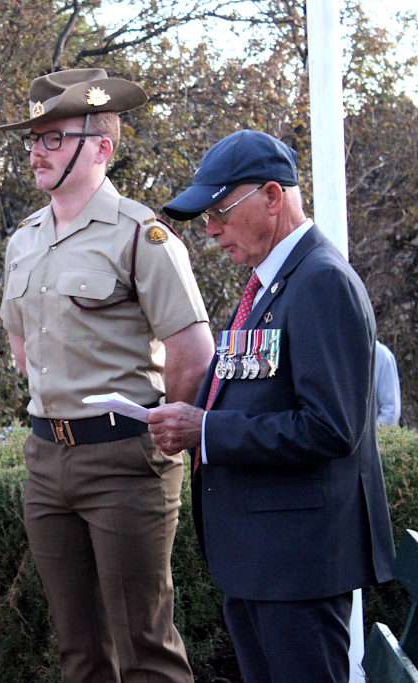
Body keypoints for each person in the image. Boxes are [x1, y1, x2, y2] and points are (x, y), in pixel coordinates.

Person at [147, 129, 395, 682]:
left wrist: (206, 431)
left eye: (220, 211)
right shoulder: (273, 283)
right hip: (260, 562)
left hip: (297, 566)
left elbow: (332, 428)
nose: (211, 230)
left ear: (272, 196)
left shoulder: (321, 282)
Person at [0, 68, 213, 682]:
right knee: (78, 651)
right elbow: (22, 349)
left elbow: (192, 352)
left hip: (123, 456)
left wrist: (156, 442)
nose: (37, 152)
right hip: (47, 457)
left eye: (53, 139)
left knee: (145, 649)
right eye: (33, 141)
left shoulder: (142, 234)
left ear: (101, 147)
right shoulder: (25, 241)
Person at [374, 340, 401, 426]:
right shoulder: (339, 355)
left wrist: (369, 437)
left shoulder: (382, 356)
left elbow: (390, 412)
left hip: (374, 437)